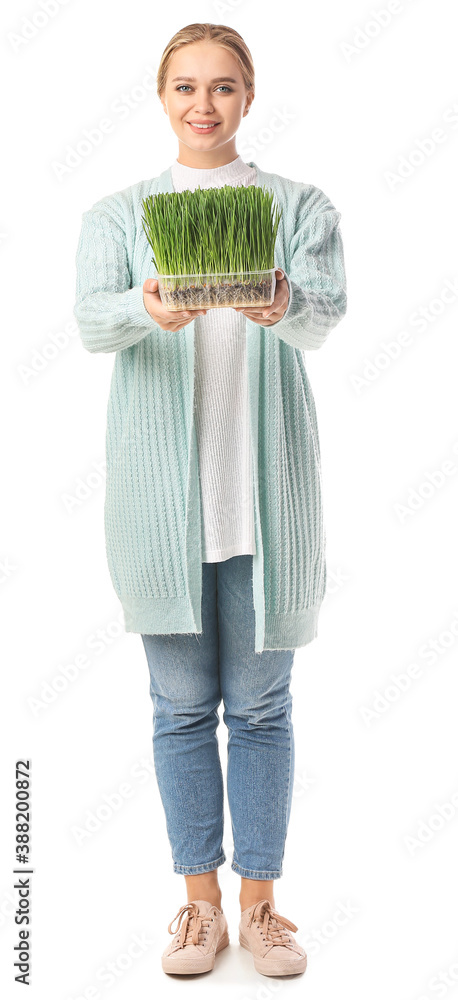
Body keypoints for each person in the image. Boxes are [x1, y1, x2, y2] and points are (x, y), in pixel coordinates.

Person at [73, 21, 347, 979]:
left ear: (248, 96)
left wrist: (284, 305)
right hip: (162, 510)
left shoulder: (297, 204)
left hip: (266, 508)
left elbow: (325, 313)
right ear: (161, 98)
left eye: (223, 87)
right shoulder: (121, 214)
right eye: (186, 87)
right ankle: (198, 909)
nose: (204, 105)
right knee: (181, 708)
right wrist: (148, 306)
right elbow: (90, 322)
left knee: (263, 710)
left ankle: (263, 907)